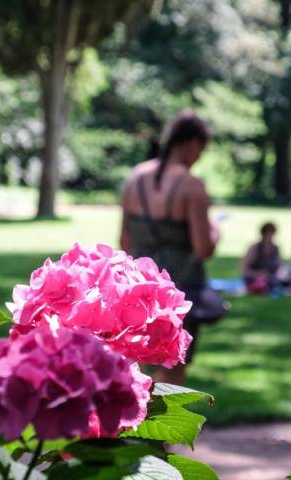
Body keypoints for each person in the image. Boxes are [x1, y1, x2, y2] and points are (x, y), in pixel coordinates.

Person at [120, 111, 219, 386]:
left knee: (136, 364)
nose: (199, 156)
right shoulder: (191, 186)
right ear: (191, 143)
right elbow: (203, 249)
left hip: (137, 291)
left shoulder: (135, 178)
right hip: (180, 292)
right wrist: (215, 232)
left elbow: (124, 241)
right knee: (173, 370)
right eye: (201, 148)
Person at [241, 222, 284, 294]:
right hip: (255, 279)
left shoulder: (276, 248)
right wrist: (259, 274)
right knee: (262, 284)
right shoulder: (255, 249)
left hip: (272, 279)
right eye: (268, 234)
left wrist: (280, 274)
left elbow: (280, 267)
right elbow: (244, 270)